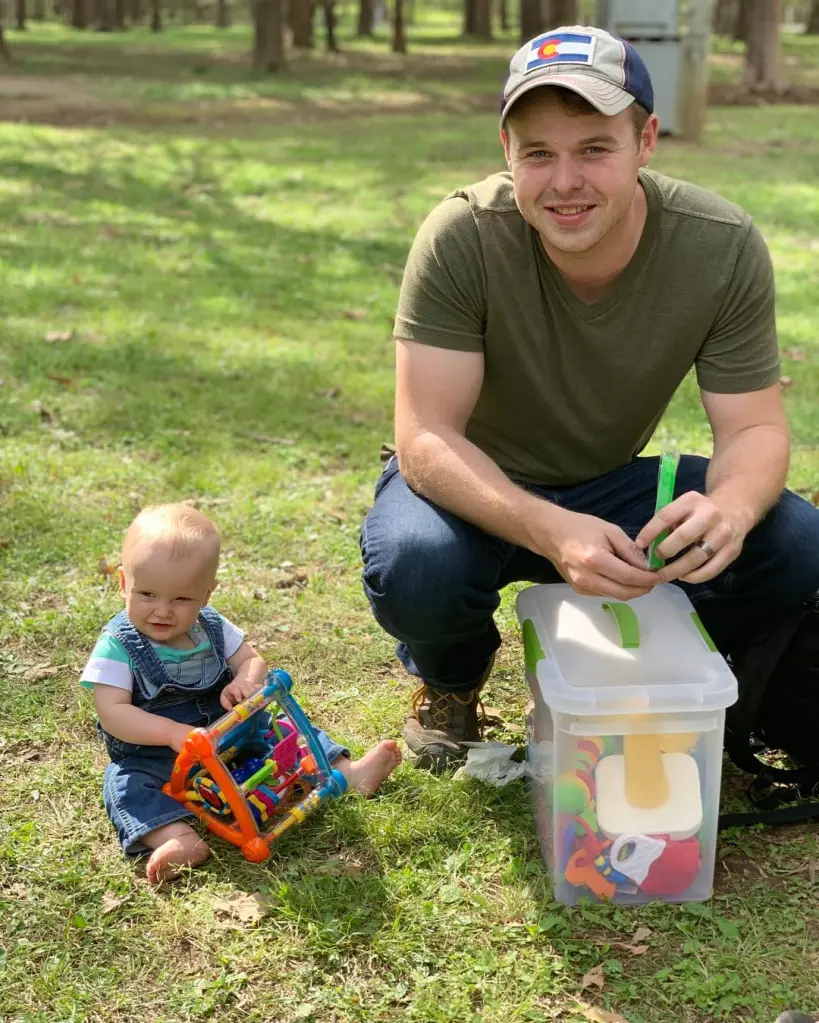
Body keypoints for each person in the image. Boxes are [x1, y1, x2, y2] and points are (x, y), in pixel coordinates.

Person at [360, 25, 819, 772]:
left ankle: (671, 675)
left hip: (608, 484)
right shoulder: (461, 234)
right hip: (470, 486)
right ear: (506, 149)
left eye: (593, 149)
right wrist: (548, 530)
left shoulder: (719, 244)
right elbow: (426, 438)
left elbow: (757, 427)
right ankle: (450, 680)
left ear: (646, 140)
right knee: (416, 565)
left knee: (795, 543)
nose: (564, 180)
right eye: (537, 152)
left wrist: (728, 510)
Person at [82, 503, 401, 883]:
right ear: (123, 584)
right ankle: (176, 837)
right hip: (157, 754)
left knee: (284, 729)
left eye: (181, 599)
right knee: (126, 783)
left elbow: (251, 660)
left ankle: (348, 772)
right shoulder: (118, 645)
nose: (162, 611)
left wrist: (244, 681)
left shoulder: (212, 626)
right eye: (147, 594)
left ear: (206, 594)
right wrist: (170, 733)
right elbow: (113, 713)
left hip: (232, 735)